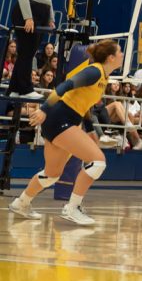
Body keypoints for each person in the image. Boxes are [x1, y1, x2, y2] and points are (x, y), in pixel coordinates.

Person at [9, 40, 123, 224]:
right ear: (111, 57)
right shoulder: (94, 71)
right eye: (120, 52)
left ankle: (21, 203)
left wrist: (93, 130)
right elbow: (65, 85)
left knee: (52, 174)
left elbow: (85, 106)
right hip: (60, 118)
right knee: (98, 162)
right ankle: (72, 208)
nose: (122, 55)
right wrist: (44, 109)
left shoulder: (104, 77)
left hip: (64, 120)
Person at [10, 0, 55, 100]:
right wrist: (28, 17)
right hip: (28, 12)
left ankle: (14, 88)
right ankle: (26, 88)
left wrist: (51, 17)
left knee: (27, 53)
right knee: (27, 53)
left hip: (42, 14)